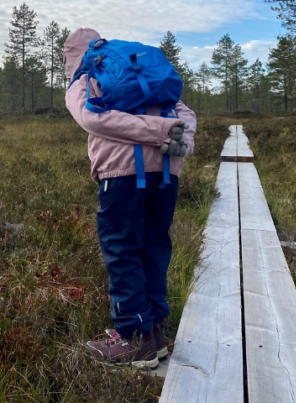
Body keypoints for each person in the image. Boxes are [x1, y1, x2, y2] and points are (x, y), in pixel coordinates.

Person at [63, 28, 197, 368]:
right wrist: (179, 140)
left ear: (72, 55)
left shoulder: (87, 78)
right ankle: (154, 334)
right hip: (167, 170)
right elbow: (183, 112)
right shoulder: (141, 73)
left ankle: (133, 340)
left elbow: (93, 119)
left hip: (121, 174)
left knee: (123, 249)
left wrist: (159, 133)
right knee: (154, 246)